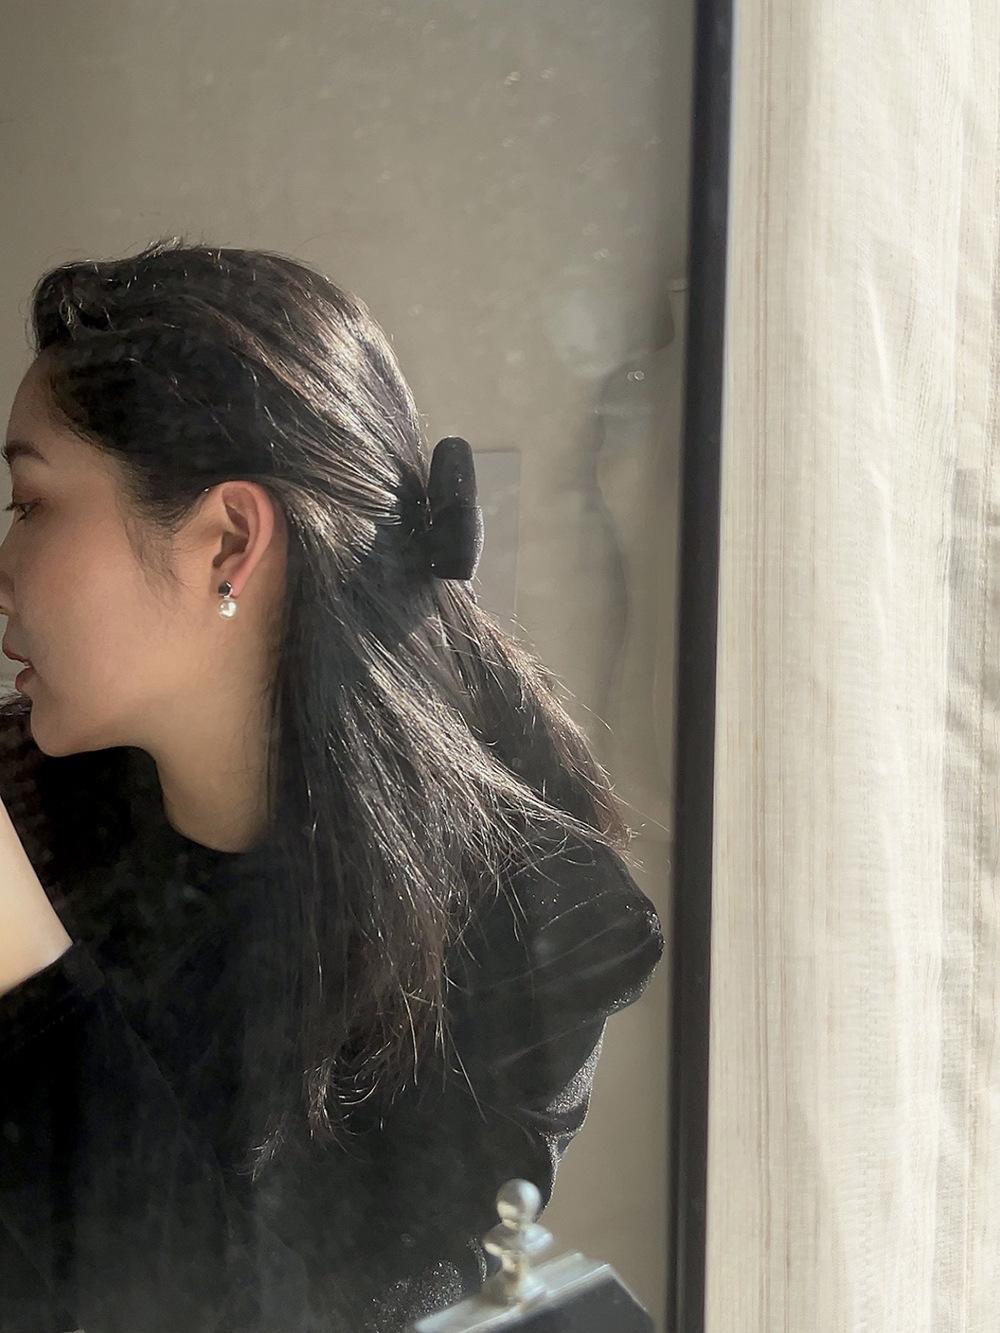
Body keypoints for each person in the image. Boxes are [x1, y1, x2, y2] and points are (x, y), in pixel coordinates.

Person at [0, 239, 665, 1332]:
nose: (4, 567)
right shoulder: (30, 798)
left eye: (31, 503)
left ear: (228, 542)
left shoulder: (530, 929)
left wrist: (22, 969)